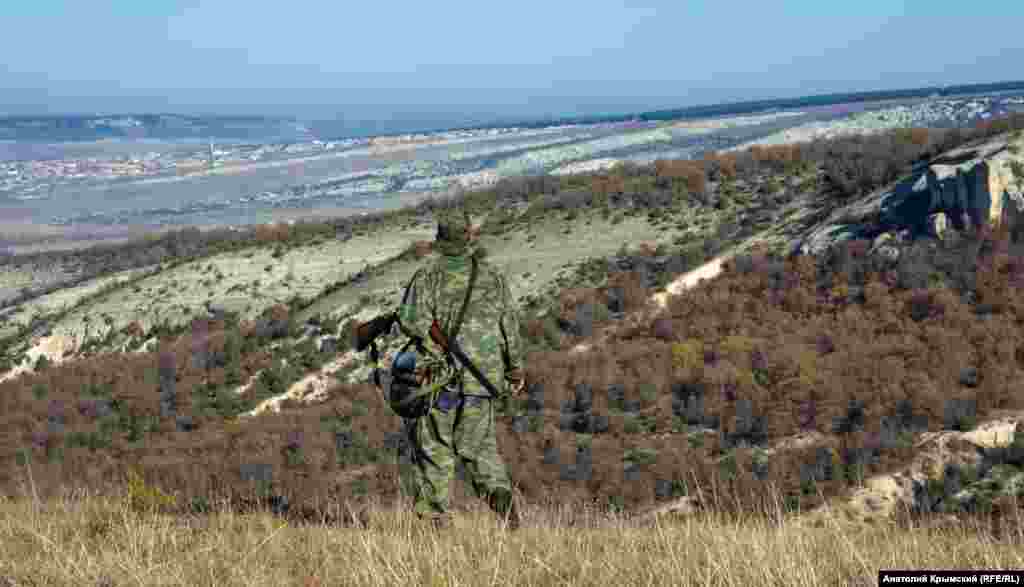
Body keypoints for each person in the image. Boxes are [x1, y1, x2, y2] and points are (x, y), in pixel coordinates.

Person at [389, 201, 526, 530]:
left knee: (435, 448)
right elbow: (510, 326)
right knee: (478, 447)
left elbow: (410, 322)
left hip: (440, 383)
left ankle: (435, 521)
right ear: (468, 236)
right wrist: (515, 369)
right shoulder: (492, 277)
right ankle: (501, 499)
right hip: (481, 382)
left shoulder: (427, 277)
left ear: (440, 238)